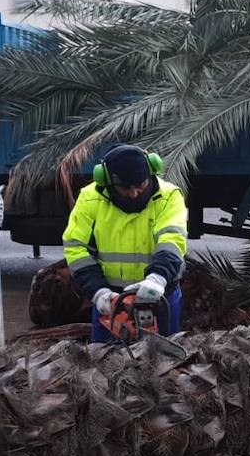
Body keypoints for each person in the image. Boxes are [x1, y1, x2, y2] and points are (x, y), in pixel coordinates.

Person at [63, 144, 189, 342]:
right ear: (106, 182)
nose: (134, 193)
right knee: (104, 363)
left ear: (151, 171)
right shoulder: (89, 199)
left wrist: (158, 278)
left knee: (165, 363)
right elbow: (76, 248)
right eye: (125, 188)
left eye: (141, 185)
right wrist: (99, 292)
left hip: (160, 293)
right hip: (111, 300)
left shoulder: (169, 197)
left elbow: (172, 239)